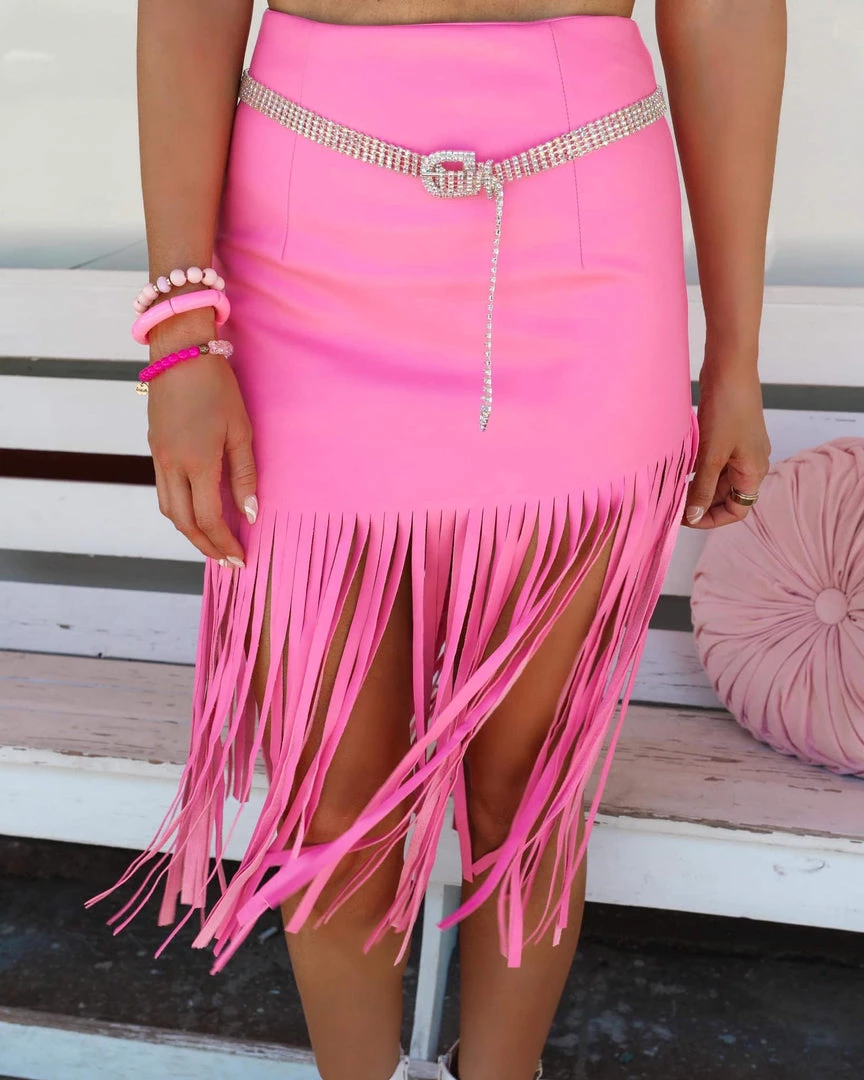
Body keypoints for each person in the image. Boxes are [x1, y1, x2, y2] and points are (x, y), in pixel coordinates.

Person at [86, 2, 783, 1078]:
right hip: (306, 227)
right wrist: (184, 331)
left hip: (588, 233)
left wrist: (735, 352)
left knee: (529, 784)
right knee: (334, 796)